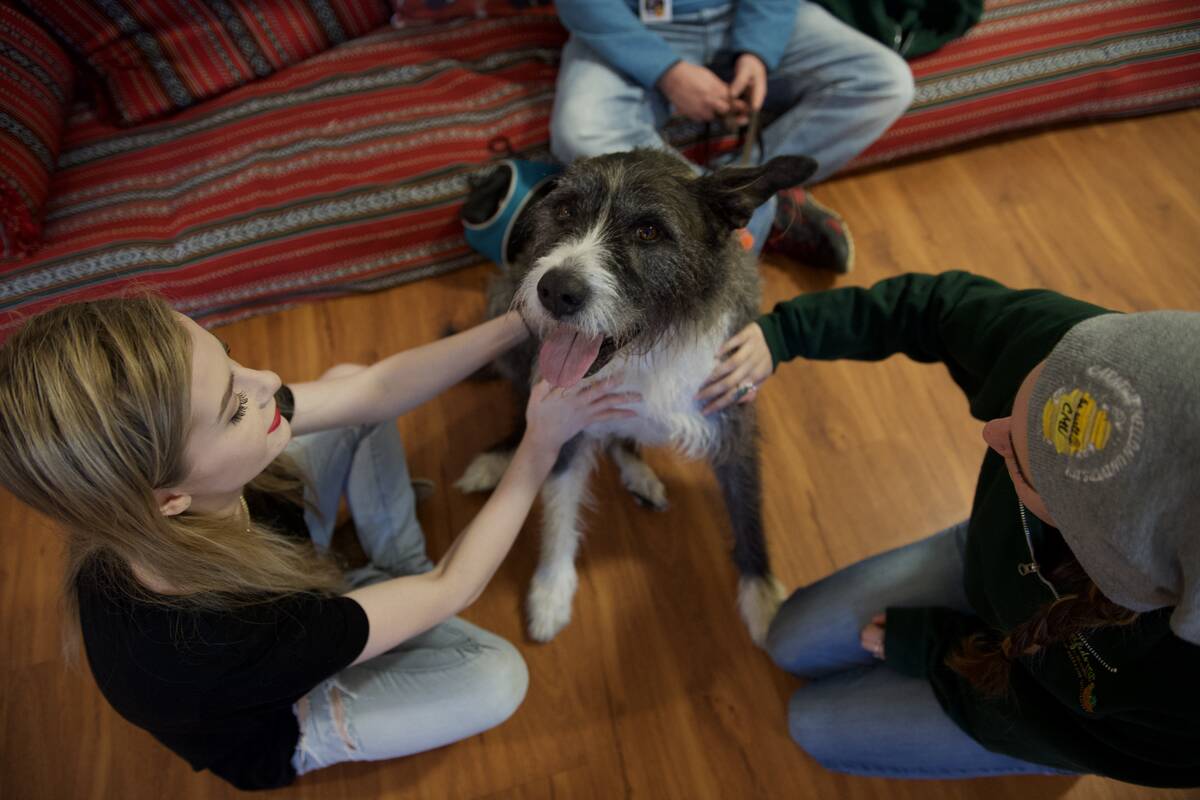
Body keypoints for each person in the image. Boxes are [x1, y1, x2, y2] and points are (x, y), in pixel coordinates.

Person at [0, 295, 638, 790]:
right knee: (499, 679)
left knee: (349, 381)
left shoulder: (153, 493)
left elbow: (371, 391)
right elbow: (455, 588)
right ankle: (366, 636)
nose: (267, 378)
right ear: (168, 497)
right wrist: (541, 443)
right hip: (279, 704)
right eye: (233, 407)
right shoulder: (217, 645)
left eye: (227, 355)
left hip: (290, 579)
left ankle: (387, 580)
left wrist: (525, 318)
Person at [697, 271, 1200, 786]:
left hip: (1053, 710)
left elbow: (1046, 723)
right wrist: (783, 335)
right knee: (788, 637)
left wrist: (933, 648)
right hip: (988, 561)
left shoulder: (1181, 710)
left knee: (813, 724)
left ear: (1104, 556)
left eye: (1023, 467)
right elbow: (935, 306)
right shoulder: (1091, 361)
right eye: (1026, 397)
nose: (991, 432)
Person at [550, 0, 915, 274]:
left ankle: (746, 193)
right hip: (632, 20)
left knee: (885, 82)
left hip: (743, 10)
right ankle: (744, 213)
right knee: (580, 128)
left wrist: (758, 50)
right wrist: (667, 72)